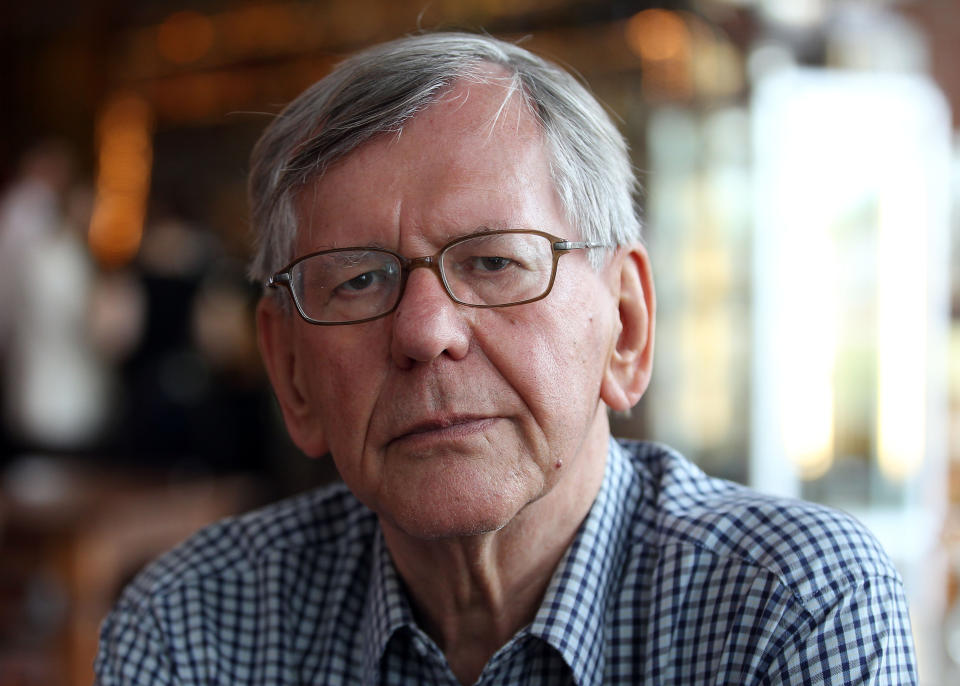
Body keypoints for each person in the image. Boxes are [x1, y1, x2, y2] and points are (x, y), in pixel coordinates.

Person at [95, 32, 917, 685]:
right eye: (357, 279)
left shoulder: (790, 609)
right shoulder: (191, 624)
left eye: (493, 262)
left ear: (624, 327)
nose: (425, 333)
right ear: (291, 375)